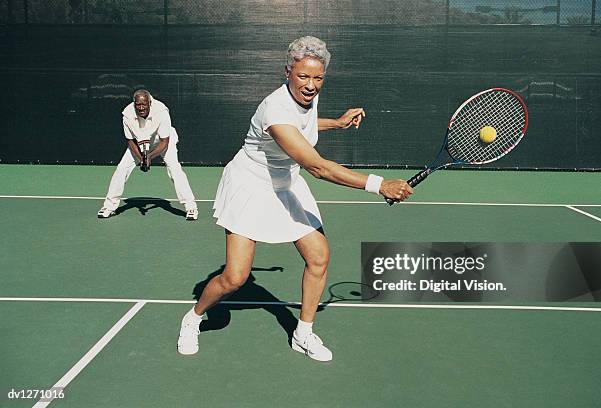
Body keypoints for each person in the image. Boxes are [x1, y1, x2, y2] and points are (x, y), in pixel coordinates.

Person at [177, 36, 412, 361]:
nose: (311, 85)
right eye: (303, 76)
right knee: (235, 277)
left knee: (318, 256)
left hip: (285, 181)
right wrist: (379, 184)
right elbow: (317, 166)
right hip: (252, 184)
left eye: (318, 78)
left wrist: (335, 122)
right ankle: (192, 318)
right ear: (287, 72)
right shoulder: (274, 108)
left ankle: (304, 332)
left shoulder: (308, 96)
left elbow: (303, 123)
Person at [97, 89, 199, 220]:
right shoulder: (127, 114)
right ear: (134, 104)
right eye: (138, 105)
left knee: (174, 169)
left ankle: (191, 207)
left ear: (149, 103)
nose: (141, 108)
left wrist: (149, 157)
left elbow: (165, 141)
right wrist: (141, 159)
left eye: (143, 104)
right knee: (121, 169)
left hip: (162, 140)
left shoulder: (161, 111)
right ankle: (109, 207)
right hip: (139, 143)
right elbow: (130, 141)